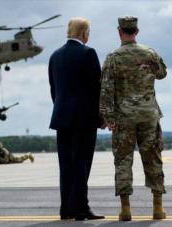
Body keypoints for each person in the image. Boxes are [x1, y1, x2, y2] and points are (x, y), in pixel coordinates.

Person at [100, 16, 167, 221]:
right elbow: (162, 73)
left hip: (123, 117)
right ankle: (157, 207)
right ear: (136, 31)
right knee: (153, 158)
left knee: (123, 160)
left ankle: (126, 209)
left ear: (120, 31)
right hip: (148, 115)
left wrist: (108, 116)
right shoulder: (150, 53)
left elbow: (106, 89)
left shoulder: (113, 57)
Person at [48, 17, 104, 221]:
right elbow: (96, 88)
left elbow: (54, 90)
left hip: (61, 117)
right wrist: (101, 116)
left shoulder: (55, 55)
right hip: (84, 119)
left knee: (66, 165)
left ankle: (66, 209)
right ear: (84, 33)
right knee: (81, 163)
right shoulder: (88, 53)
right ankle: (81, 209)